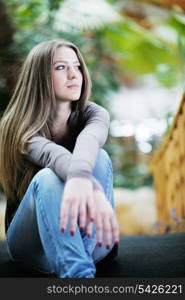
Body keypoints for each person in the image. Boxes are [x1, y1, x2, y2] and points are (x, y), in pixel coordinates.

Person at [0, 39, 120, 278]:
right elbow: (53, 155)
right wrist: (91, 187)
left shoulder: (94, 114)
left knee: (99, 155)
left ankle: (77, 265)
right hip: (35, 247)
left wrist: (84, 180)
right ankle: (78, 275)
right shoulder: (17, 126)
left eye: (76, 66)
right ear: (39, 76)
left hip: (93, 239)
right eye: (60, 67)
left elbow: (89, 140)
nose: (73, 75)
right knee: (48, 176)